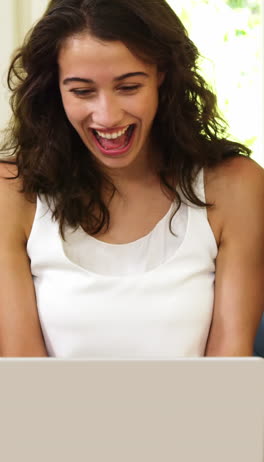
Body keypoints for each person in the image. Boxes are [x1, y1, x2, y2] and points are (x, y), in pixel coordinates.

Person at [0, 0, 263, 358]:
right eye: (82, 91)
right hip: (52, 415)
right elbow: (23, 375)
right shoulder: (12, 191)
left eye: (128, 87)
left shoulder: (235, 185)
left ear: (162, 75)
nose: (107, 116)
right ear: (53, 89)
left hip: (200, 414)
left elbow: (229, 365)